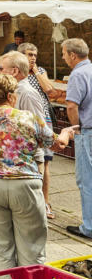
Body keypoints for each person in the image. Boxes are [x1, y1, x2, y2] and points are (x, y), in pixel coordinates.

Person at [0, 73, 70, 269]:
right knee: (32, 247)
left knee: (0, 250)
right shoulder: (28, 118)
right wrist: (66, 133)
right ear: (11, 96)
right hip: (25, 185)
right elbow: (56, 144)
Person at [19, 42, 57, 218]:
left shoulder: (39, 71)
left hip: (42, 119)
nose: (33, 57)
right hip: (21, 121)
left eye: (35, 54)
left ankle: (45, 201)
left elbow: (49, 89)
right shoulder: (16, 71)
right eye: (29, 54)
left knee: (45, 160)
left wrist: (35, 72)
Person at [63, 37, 92, 240]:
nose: (63, 58)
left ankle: (89, 226)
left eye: (64, 54)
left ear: (73, 55)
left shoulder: (78, 74)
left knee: (86, 180)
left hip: (88, 130)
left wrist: (76, 129)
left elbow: (71, 105)